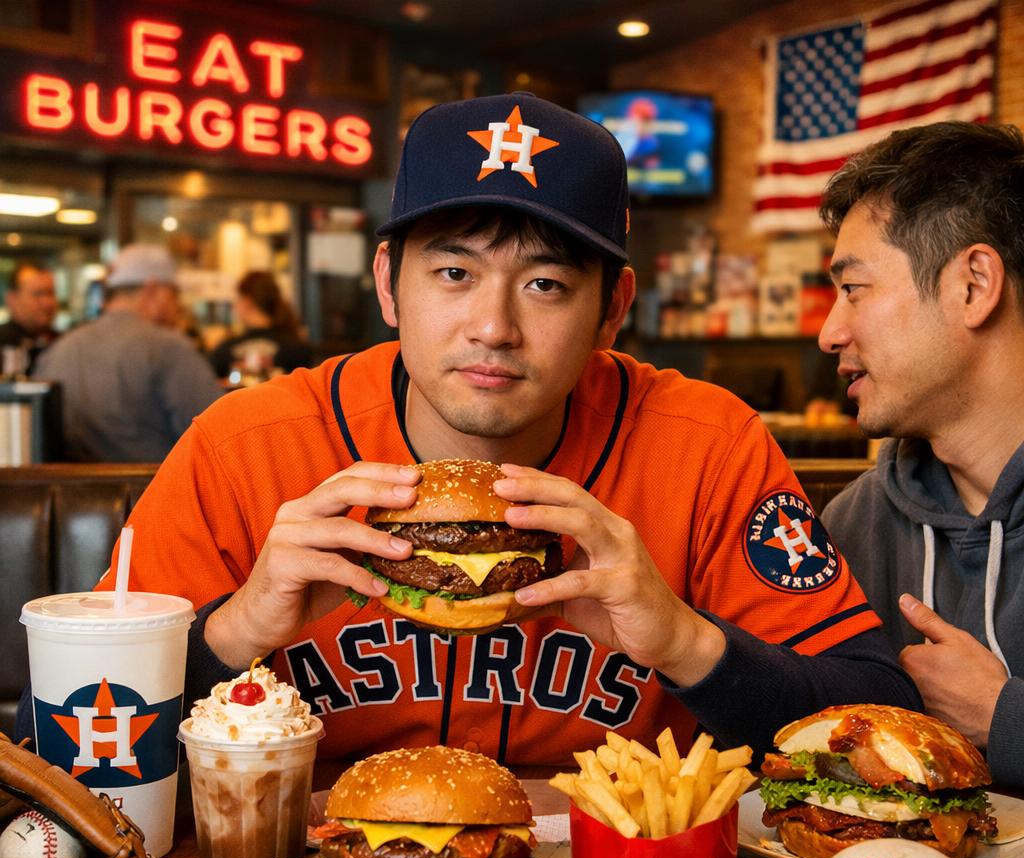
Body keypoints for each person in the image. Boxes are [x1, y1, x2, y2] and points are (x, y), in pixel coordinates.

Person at [16, 94, 919, 762]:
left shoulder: (706, 445)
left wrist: (687, 642)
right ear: (387, 284)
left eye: (545, 284)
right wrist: (235, 628)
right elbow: (57, 738)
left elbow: (880, 714)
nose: (493, 326)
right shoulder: (245, 446)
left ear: (613, 310)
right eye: (453, 273)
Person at [817, 121, 1024, 785]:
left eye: (854, 289)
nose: (829, 333)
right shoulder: (853, 525)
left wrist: (1003, 717)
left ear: (973, 286)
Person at [32, 244, 222, 462]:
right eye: (174, 294)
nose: (177, 306)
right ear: (152, 291)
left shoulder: (58, 350)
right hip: (153, 481)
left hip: (66, 484)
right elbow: (219, 435)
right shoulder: (169, 348)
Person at [208, 271, 313, 382]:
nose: (235, 306)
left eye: (237, 299)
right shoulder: (296, 347)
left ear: (247, 301)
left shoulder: (225, 350)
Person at [0, 262, 58, 377]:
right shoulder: (3, 341)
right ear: (12, 299)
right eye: (37, 294)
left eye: (50, 293)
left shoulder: (62, 343)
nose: (47, 303)